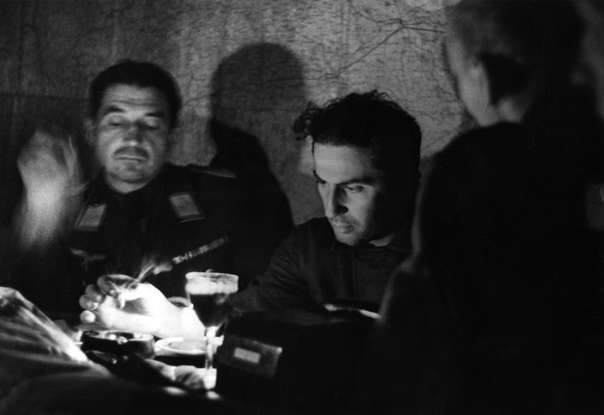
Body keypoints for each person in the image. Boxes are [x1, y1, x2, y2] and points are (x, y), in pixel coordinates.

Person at [362, 0, 601, 413]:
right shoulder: (588, 153)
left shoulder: (477, 168)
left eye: (456, 77)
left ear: (485, 75)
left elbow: (417, 331)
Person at [79, 90, 422, 337]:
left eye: (355, 188)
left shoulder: (442, 260)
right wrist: (157, 317)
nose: (331, 207)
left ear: (405, 182)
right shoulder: (308, 247)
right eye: (322, 182)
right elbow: (239, 321)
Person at [6, 60, 286, 319]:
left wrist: (176, 321)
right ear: (92, 131)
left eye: (150, 125)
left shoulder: (223, 198)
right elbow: (25, 308)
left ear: (171, 136)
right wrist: (40, 217)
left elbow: (272, 300)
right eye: (116, 123)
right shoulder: (60, 210)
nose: (133, 138)